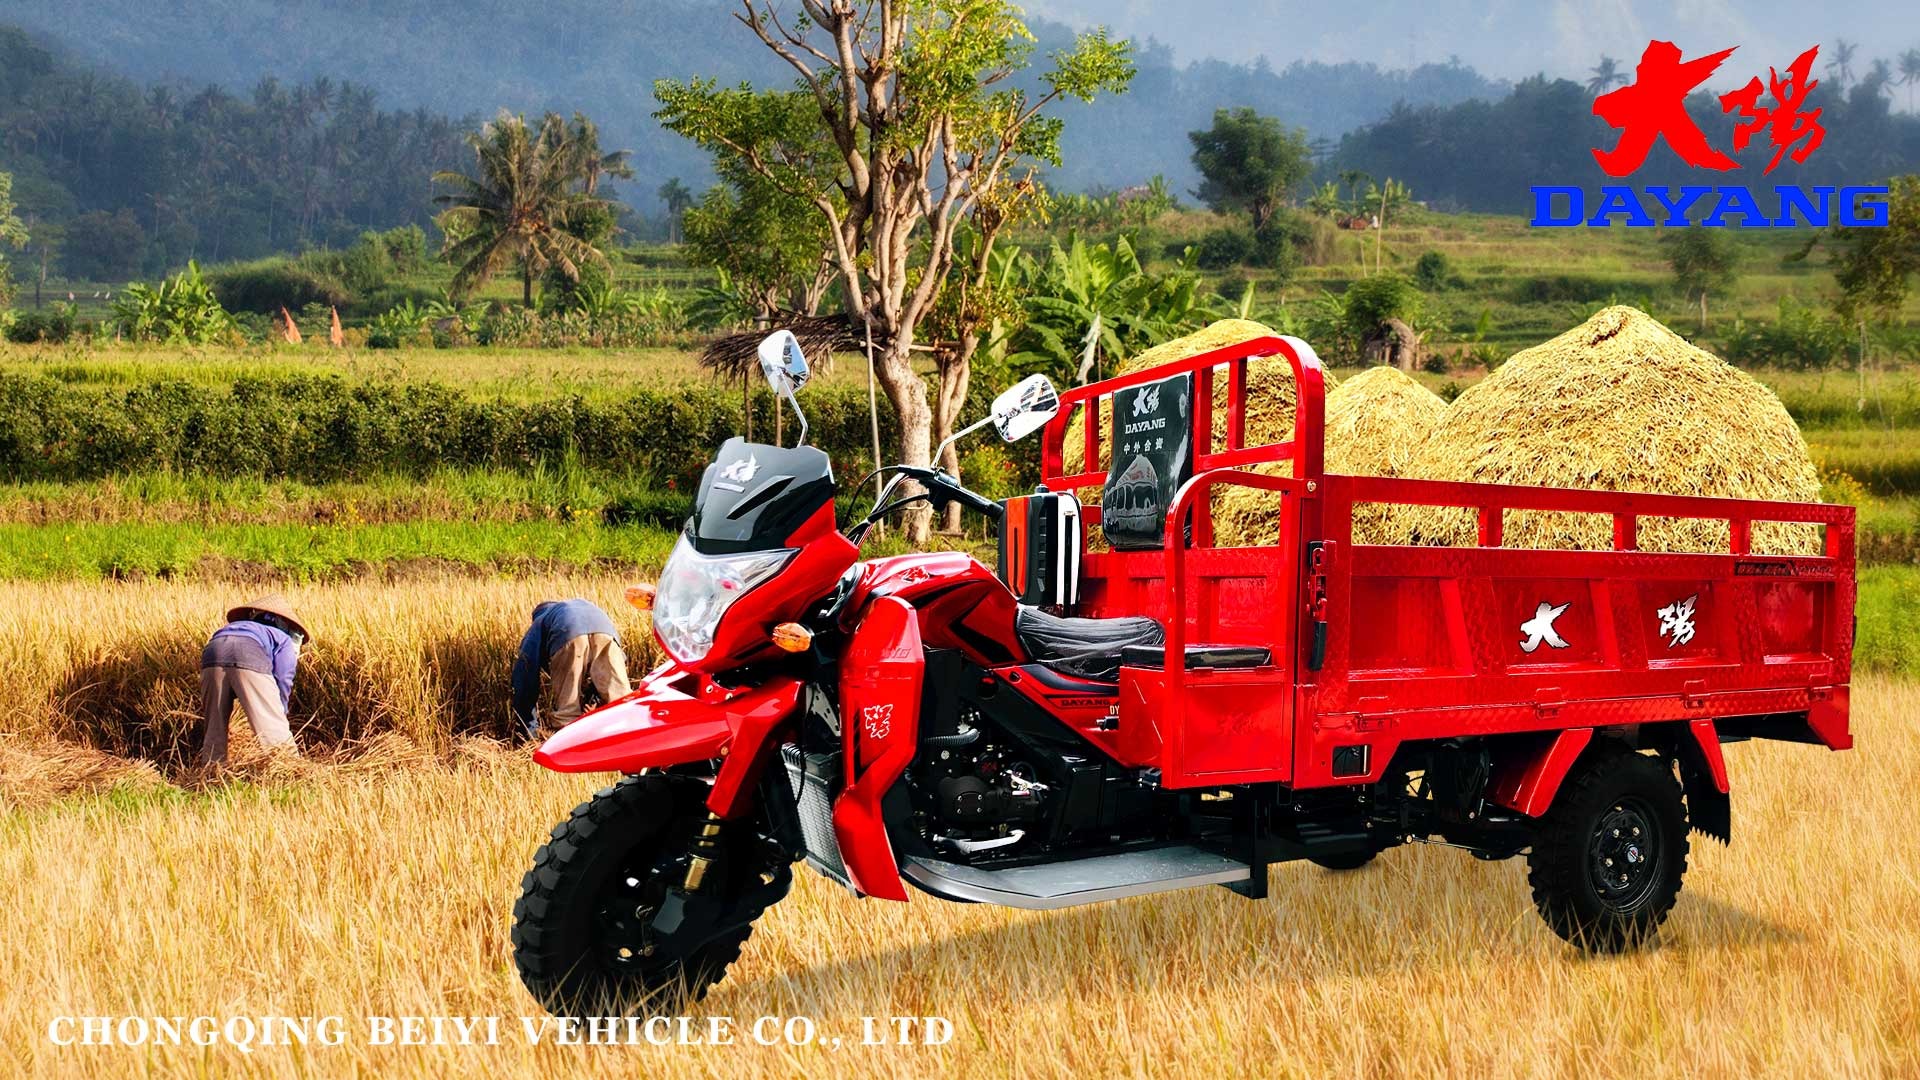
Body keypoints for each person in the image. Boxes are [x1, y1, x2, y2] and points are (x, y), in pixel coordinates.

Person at [199, 594, 310, 764]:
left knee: (214, 727)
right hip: (249, 652)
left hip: (213, 651)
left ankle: (211, 772)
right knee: (272, 728)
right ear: (285, 624)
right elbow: (283, 678)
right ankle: (289, 771)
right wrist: (280, 710)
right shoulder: (283, 639)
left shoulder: (238, 627)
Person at [511, 599, 632, 738]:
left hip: (568, 632)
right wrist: (595, 702)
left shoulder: (540, 621)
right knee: (621, 701)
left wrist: (528, 730)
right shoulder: (572, 609)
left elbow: (525, 677)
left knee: (568, 711)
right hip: (606, 631)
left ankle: (573, 748)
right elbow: (614, 667)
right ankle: (629, 741)